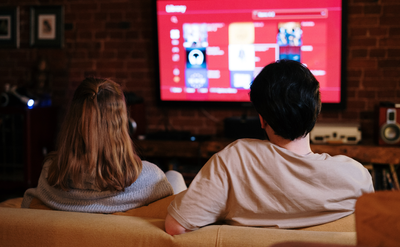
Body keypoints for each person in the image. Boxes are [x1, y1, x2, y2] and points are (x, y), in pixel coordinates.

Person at [165, 60, 374, 235]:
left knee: (172, 177)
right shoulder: (357, 177)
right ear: (316, 112)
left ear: (262, 119)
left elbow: (176, 227)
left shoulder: (236, 160)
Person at [22, 77, 186, 213]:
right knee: (175, 176)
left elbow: (29, 203)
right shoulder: (150, 178)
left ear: (72, 121)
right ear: (122, 124)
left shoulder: (49, 172)